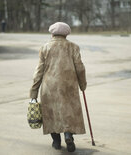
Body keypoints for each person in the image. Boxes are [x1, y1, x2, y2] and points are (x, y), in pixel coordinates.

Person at [30, 22, 87, 152]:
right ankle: (68, 135)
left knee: (51, 114)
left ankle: (56, 141)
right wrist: (82, 84)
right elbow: (80, 68)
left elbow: (39, 71)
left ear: (52, 33)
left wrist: (34, 92)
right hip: (69, 86)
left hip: (49, 87)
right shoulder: (73, 47)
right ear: (67, 34)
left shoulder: (45, 48)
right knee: (69, 112)